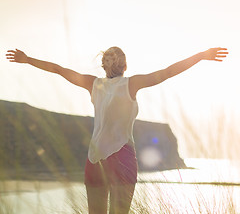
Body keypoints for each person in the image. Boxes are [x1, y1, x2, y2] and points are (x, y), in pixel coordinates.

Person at [6, 46, 228, 214]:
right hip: (121, 156)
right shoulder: (132, 83)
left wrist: (27, 60)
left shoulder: (93, 84)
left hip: (93, 160)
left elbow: (58, 69)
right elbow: (167, 72)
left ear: (104, 66)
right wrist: (201, 56)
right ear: (125, 66)